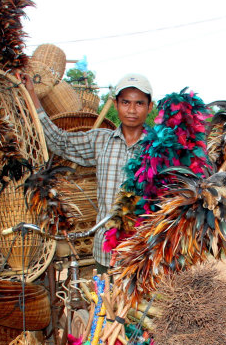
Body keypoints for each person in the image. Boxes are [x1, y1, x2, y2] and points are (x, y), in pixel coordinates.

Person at [20, 72, 153, 271]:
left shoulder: (159, 148)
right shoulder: (101, 140)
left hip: (144, 252)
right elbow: (59, 141)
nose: (132, 109)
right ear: (116, 105)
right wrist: (32, 95)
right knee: (103, 301)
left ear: (150, 107)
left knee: (146, 303)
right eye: (126, 102)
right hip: (106, 251)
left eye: (139, 103)